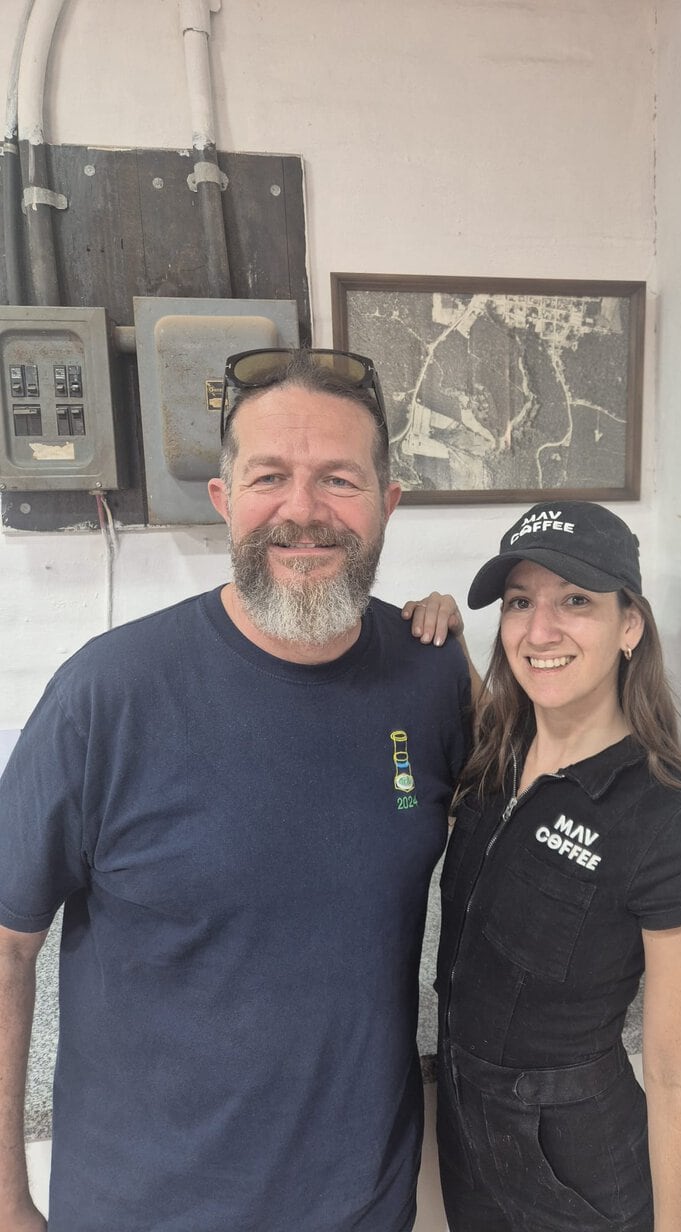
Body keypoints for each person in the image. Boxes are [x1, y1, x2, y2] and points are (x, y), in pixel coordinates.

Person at [0, 347, 471, 1232]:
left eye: (339, 479)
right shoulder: (108, 694)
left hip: (362, 1203)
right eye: (270, 477)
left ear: (388, 503)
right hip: (145, 1209)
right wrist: (5, 1202)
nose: (304, 510)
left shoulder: (432, 678)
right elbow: (6, 947)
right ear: (223, 499)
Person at [435, 501, 681, 1232]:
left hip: (576, 1171)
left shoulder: (669, 821)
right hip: (466, 1137)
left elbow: (676, 1077)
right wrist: (442, 630)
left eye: (575, 601)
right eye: (519, 603)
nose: (540, 631)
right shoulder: (497, 755)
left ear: (630, 625)